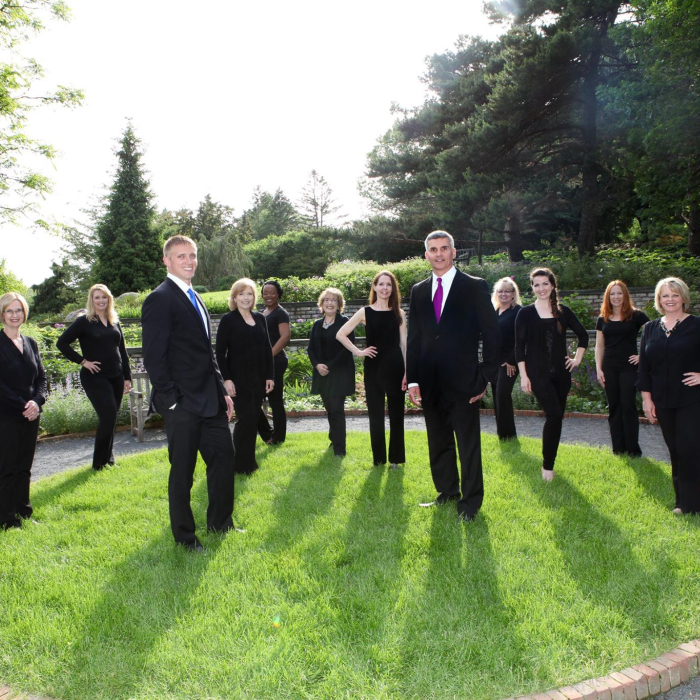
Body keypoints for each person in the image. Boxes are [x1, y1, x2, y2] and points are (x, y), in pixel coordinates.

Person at [142, 235, 240, 551]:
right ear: (167, 261)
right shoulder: (160, 298)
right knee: (182, 472)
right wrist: (170, 401)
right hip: (181, 405)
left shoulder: (194, 296)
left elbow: (206, 353)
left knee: (224, 458)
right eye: (181, 256)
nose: (189, 261)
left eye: (192, 255)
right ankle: (185, 537)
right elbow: (154, 356)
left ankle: (221, 522)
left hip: (210, 400)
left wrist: (222, 389)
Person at [407, 231, 500, 522]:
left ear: (453, 251)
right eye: (433, 249)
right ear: (426, 255)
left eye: (444, 248)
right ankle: (447, 492)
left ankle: (470, 504)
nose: (438, 254)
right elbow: (415, 337)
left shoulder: (474, 287)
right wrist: (413, 379)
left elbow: (493, 334)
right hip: (430, 382)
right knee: (438, 440)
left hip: (465, 383)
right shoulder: (419, 290)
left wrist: (484, 375)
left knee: (468, 445)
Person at [515, 267, 589, 481]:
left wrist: (577, 359)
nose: (541, 288)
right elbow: (519, 347)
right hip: (537, 374)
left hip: (562, 375)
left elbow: (583, 336)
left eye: (545, 284)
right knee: (554, 415)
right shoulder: (525, 313)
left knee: (556, 418)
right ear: (532, 287)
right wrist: (524, 376)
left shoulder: (562, 311)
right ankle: (547, 467)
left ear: (553, 285)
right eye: (536, 285)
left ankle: (550, 462)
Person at [638, 277, 700, 515]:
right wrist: (646, 399)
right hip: (662, 399)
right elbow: (644, 366)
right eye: (665, 295)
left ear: (683, 298)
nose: (670, 300)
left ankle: (691, 505)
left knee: (689, 447)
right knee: (674, 449)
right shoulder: (650, 328)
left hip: (692, 398)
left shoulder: (696, 325)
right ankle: (682, 501)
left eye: (675, 295)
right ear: (659, 300)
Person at [56, 284, 132, 471]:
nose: (100, 301)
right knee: (108, 416)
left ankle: (109, 458)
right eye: (97, 297)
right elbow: (62, 343)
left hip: (115, 376)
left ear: (109, 299)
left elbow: (122, 351)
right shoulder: (84, 321)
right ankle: (99, 463)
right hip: (95, 377)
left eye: (104, 297)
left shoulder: (115, 321)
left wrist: (127, 377)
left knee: (111, 419)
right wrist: (83, 361)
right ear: (92, 300)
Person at [337, 270, 407, 467]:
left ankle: (395, 459)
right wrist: (359, 352)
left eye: (389, 284)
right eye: (381, 284)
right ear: (375, 287)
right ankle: (378, 460)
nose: (385, 288)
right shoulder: (364, 312)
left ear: (393, 288)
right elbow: (341, 334)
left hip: (395, 367)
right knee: (375, 415)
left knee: (396, 414)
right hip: (374, 367)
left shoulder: (399, 313)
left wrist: (407, 371)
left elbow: (404, 344)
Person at [216, 278, 274, 475]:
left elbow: (267, 349)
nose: (245, 298)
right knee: (245, 419)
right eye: (241, 294)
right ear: (234, 297)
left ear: (254, 297)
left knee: (252, 418)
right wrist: (227, 379)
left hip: (258, 378)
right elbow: (220, 353)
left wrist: (269, 376)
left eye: (249, 294)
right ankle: (241, 465)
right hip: (238, 379)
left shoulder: (260, 318)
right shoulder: (228, 320)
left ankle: (247, 462)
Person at [0, 292, 47, 530]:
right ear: (2, 315)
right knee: (7, 468)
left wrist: (37, 402)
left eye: (18, 310)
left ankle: (24, 511)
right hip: (6, 415)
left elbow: (41, 378)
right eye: (9, 310)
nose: (14, 315)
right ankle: (7, 519)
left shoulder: (31, 343)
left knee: (24, 467)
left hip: (31, 414)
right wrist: (23, 405)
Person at [595, 280, 649, 457]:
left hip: (629, 367)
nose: (616, 297)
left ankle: (633, 449)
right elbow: (599, 346)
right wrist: (598, 369)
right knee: (614, 407)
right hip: (609, 367)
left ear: (625, 295)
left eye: (619, 293)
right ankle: (618, 448)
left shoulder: (637, 316)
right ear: (607, 297)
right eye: (612, 293)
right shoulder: (602, 319)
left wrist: (643, 356)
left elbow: (655, 335)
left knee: (628, 406)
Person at [307, 288, 356, 457]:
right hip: (321, 373)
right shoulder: (316, 325)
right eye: (326, 300)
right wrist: (317, 365)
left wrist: (329, 366)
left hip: (340, 373)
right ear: (322, 304)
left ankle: (340, 450)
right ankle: (334, 439)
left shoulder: (345, 322)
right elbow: (311, 349)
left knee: (336, 409)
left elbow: (347, 349)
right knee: (329, 408)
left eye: (333, 300)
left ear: (339, 304)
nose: (329, 303)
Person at [257, 280, 291, 445]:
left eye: (272, 292)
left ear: (278, 294)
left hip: (276, 361)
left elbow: (285, 337)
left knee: (275, 400)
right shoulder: (262, 312)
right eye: (265, 292)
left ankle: (278, 437)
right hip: (262, 362)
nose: (268, 295)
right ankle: (268, 433)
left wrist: (268, 356)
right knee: (253, 399)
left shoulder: (280, 313)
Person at [490, 277, 522, 440]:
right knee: (497, 395)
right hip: (495, 361)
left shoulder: (518, 312)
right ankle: (502, 434)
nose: (503, 294)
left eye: (507, 291)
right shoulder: (494, 312)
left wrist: (511, 360)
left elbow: (522, 339)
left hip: (510, 361)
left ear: (513, 294)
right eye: (500, 291)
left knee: (503, 394)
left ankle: (509, 435)